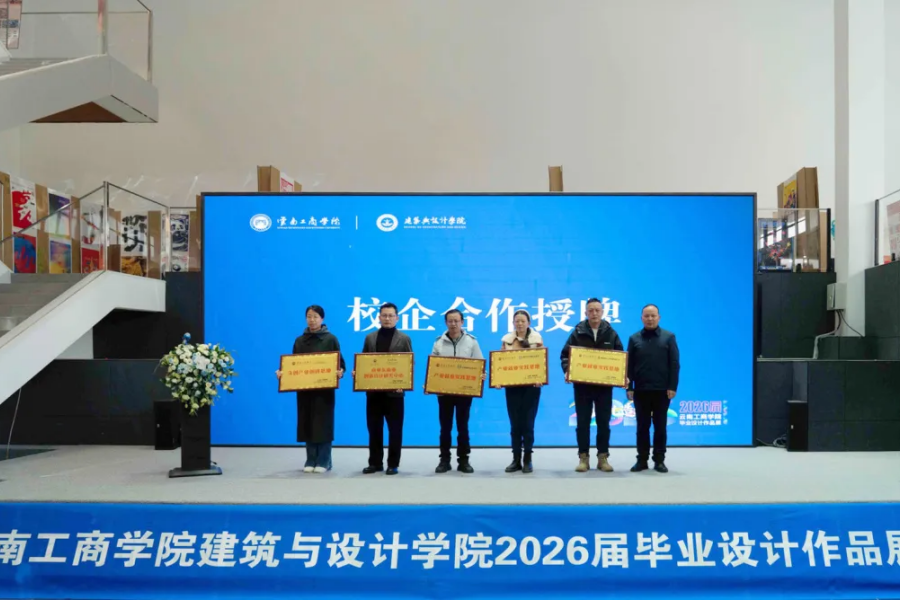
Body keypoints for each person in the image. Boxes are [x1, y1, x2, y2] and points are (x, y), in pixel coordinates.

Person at [275, 305, 345, 473]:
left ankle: (324, 460)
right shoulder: (299, 341)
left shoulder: (331, 339)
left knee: (323, 423)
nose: (312, 320)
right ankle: (310, 459)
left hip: (324, 390)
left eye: (315, 317)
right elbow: (293, 364)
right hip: (305, 389)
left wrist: (340, 372)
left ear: (322, 319)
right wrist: (283, 374)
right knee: (307, 422)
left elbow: (340, 363)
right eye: (309, 316)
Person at [560, 297, 625, 473]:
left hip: (604, 387)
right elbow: (565, 355)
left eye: (597, 310)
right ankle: (583, 458)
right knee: (582, 422)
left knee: (604, 422)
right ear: (586, 313)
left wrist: (622, 375)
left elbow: (620, 357)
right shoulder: (577, 332)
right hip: (582, 386)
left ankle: (603, 457)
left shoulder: (611, 333)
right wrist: (568, 371)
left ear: (602, 312)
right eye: (591, 310)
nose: (594, 313)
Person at [358, 302, 413, 476]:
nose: (387, 318)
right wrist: (358, 373)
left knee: (395, 430)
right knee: (374, 429)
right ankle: (375, 463)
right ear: (379, 317)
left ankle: (393, 464)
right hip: (374, 392)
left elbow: (409, 364)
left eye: (391, 316)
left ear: (397, 318)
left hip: (395, 394)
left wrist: (403, 383)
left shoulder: (404, 339)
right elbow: (364, 361)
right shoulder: (370, 338)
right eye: (384, 315)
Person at [627, 304, 680, 473]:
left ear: (659, 317)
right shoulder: (634, 338)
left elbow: (674, 364)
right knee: (642, 427)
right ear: (641, 318)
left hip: (662, 390)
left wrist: (672, 386)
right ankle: (642, 460)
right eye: (646, 316)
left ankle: (659, 460)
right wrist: (629, 387)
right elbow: (629, 365)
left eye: (653, 316)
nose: (650, 319)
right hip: (640, 390)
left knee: (660, 427)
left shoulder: (669, 337)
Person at [430, 309, 484, 474]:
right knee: (445, 428)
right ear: (446, 323)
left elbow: (479, 364)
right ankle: (444, 460)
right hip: (444, 393)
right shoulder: (439, 342)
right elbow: (433, 368)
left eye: (456, 321)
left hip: (464, 393)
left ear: (462, 322)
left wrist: (481, 375)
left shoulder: (471, 342)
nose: (453, 324)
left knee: (463, 427)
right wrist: (431, 383)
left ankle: (464, 460)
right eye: (450, 321)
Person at [500, 309, 543, 474]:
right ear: (513, 323)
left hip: (531, 387)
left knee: (528, 424)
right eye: (517, 321)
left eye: (522, 321)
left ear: (528, 323)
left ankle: (528, 459)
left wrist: (540, 377)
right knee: (515, 424)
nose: (519, 324)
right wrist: (499, 379)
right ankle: (516, 459)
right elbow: (501, 363)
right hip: (512, 387)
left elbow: (541, 362)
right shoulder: (506, 340)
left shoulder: (536, 339)